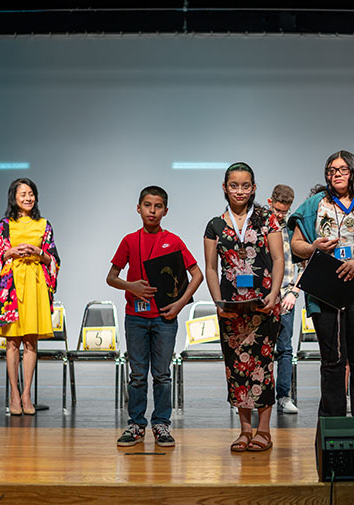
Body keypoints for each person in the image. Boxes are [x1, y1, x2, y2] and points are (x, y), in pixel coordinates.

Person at [289, 150, 354, 417]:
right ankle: (332, 424)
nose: (336, 174)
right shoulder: (315, 204)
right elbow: (296, 244)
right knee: (332, 361)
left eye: (342, 169)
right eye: (331, 170)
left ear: (353, 172)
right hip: (325, 293)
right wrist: (312, 247)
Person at [108, 185, 203, 447]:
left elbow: (197, 275)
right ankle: (136, 425)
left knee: (162, 374)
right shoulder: (129, 240)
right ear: (138, 208)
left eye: (158, 206)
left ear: (166, 210)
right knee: (138, 374)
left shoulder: (173, 240)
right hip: (135, 318)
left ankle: (161, 424)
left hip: (165, 318)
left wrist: (181, 304)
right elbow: (111, 277)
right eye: (147, 205)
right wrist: (131, 286)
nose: (152, 210)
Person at [204, 162, 284, 452]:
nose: (240, 191)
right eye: (234, 185)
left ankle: (264, 431)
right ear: (225, 188)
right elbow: (211, 269)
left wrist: (275, 294)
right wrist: (217, 302)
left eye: (246, 185)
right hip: (231, 308)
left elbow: (278, 260)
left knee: (262, 366)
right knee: (236, 368)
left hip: (263, 305)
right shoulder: (215, 225)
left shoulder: (267, 220)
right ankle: (244, 431)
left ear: (254, 188)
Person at [0, 178, 60, 416]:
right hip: (12, 286)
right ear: (14, 197)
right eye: (23, 194)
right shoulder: (5, 224)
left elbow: (55, 260)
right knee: (12, 342)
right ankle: (14, 393)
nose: (28, 198)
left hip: (36, 284)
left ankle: (27, 393)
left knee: (31, 341)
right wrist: (11, 251)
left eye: (31, 193)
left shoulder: (44, 224)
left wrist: (40, 253)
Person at [268, 184, 300, 414]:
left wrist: (294, 292)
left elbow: (305, 265)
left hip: (286, 295)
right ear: (270, 203)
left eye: (284, 212)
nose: (280, 215)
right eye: (278, 210)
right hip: (265, 296)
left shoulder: (291, 230)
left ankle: (284, 396)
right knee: (261, 349)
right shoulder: (261, 228)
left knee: (285, 349)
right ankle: (259, 397)